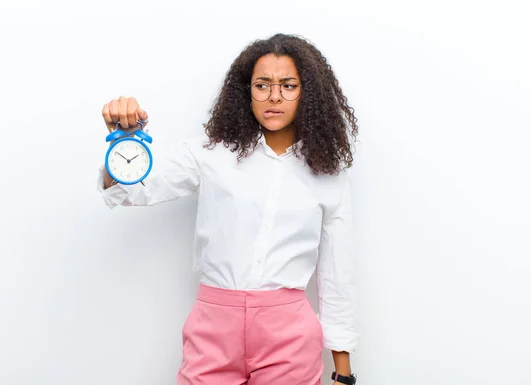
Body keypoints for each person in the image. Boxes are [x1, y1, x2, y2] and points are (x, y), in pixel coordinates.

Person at [97, 33, 360, 385]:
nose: (274, 97)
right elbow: (133, 191)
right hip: (213, 328)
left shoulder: (328, 174)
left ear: (307, 92)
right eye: (262, 85)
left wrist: (343, 372)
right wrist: (124, 141)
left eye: (288, 85)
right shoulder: (211, 154)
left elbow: (336, 275)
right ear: (245, 90)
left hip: (290, 335)